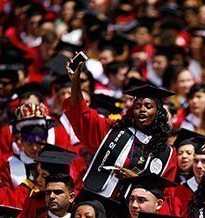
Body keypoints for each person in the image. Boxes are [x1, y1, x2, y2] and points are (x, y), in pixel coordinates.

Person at [64, 61, 177, 198]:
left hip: (132, 211)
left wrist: (137, 180)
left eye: (148, 106)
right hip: (98, 202)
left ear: (158, 112)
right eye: (137, 106)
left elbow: (165, 195)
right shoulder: (114, 130)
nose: (142, 110)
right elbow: (83, 115)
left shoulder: (166, 153)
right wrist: (75, 83)